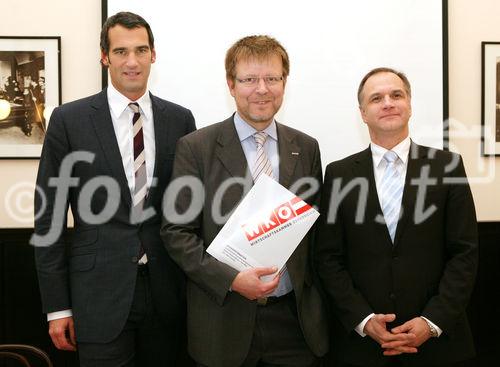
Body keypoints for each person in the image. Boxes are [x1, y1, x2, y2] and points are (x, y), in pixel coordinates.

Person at [33, 11, 196, 366]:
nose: (132, 62)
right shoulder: (69, 121)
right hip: (97, 297)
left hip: (167, 295)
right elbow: (49, 218)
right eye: (121, 51)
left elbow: (188, 209)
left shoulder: (180, 119)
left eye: (141, 50)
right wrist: (56, 306)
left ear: (154, 54)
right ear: (104, 56)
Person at [161, 35, 328, 367]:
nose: (262, 89)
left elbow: (313, 232)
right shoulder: (196, 148)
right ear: (231, 84)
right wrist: (232, 280)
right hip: (223, 322)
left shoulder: (306, 148)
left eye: (272, 78)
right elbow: (176, 233)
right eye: (250, 79)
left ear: (284, 82)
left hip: (294, 325)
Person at [315, 67, 478, 367]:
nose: (388, 102)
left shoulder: (447, 167)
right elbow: (328, 258)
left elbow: (464, 253)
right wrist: (363, 320)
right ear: (362, 113)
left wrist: (432, 322)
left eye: (396, 95)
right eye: (376, 98)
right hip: (362, 349)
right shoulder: (339, 175)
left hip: (438, 346)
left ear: (410, 105)